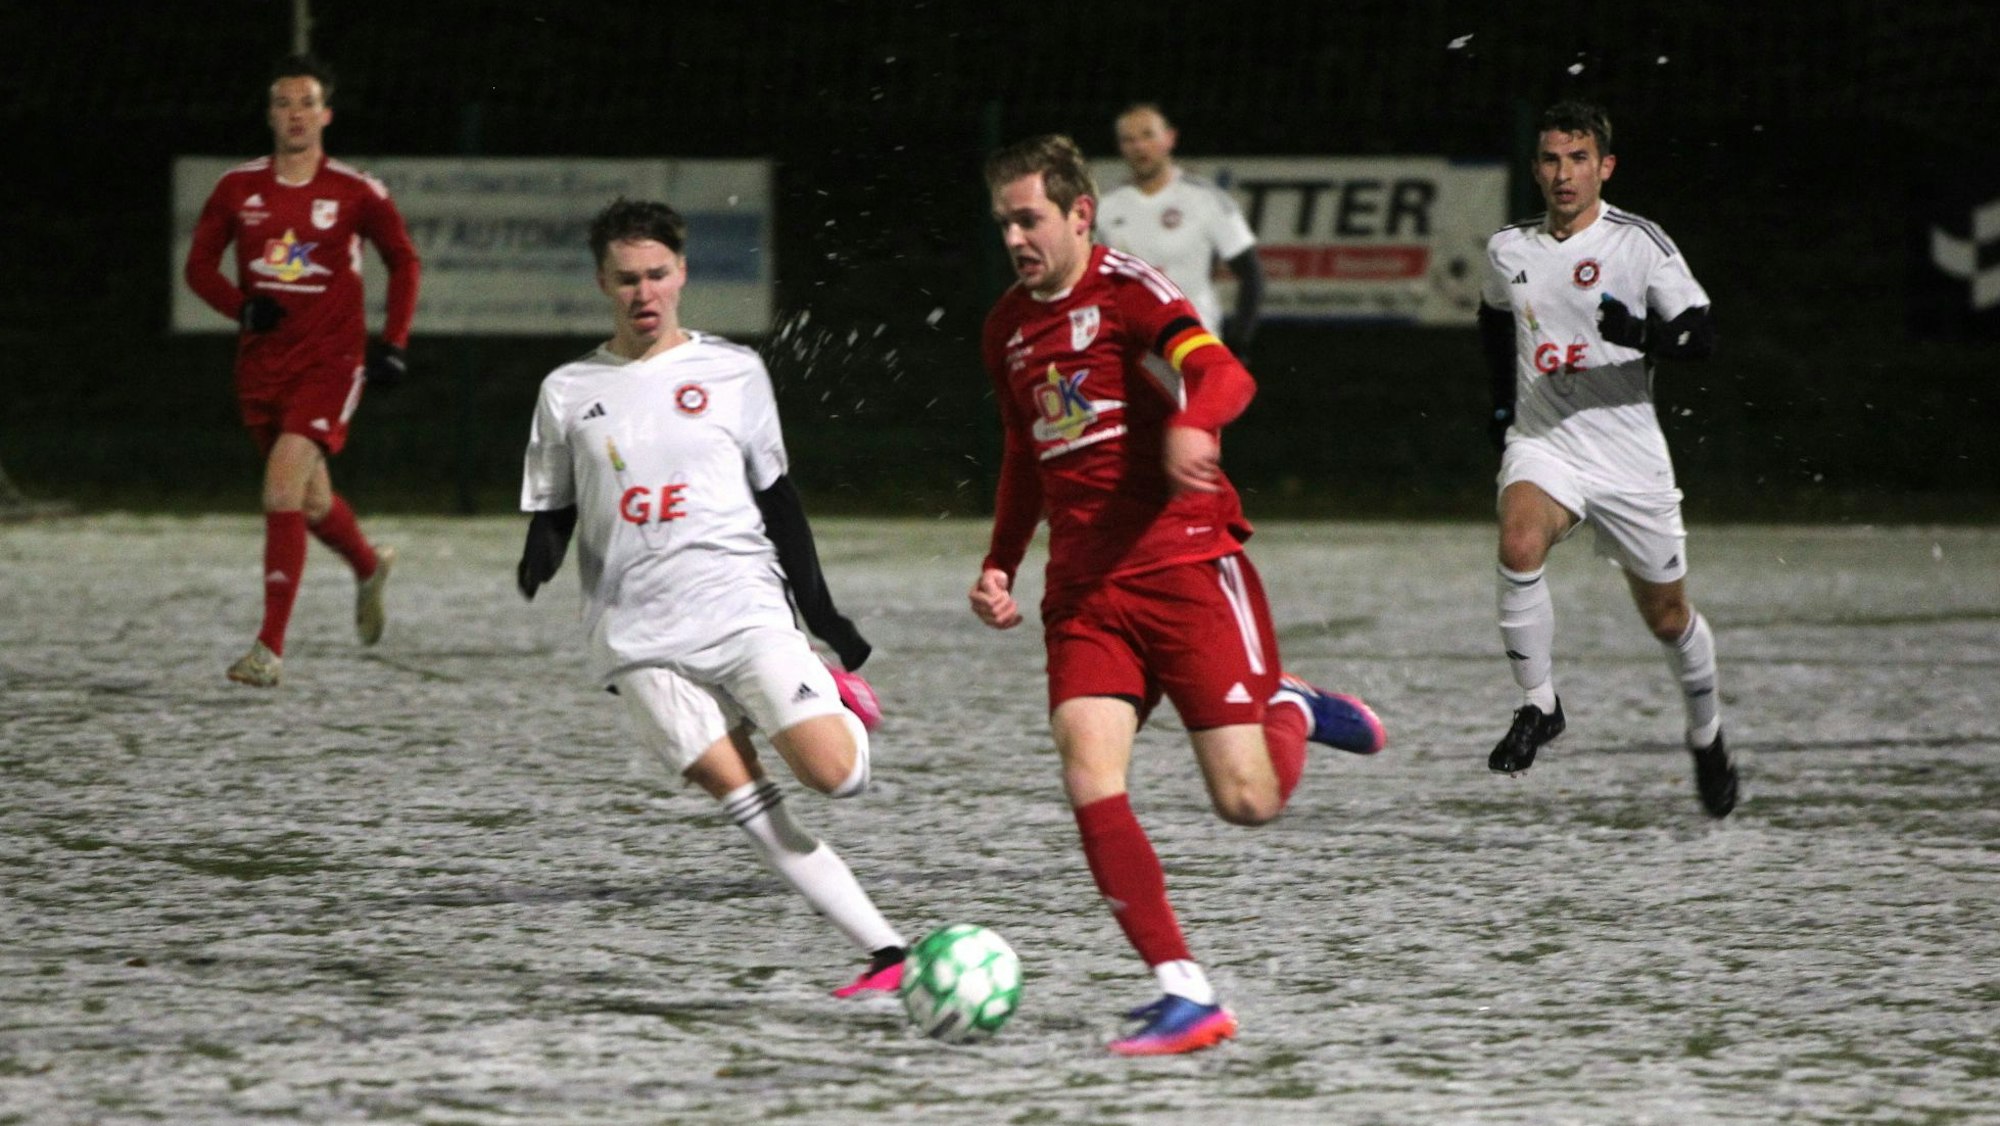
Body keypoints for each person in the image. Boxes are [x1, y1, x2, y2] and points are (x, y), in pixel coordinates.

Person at [971, 135, 1386, 1056]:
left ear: (1080, 214)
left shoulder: (1130, 290)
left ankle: (1289, 705)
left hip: (1185, 564)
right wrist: (1002, 560)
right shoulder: (1006, 327)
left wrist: (1195, 424)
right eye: (1004, 220)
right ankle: (1183, 990)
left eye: (1029, 217)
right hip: (1083, 590)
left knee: (1248, 802)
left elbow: (1223, 370)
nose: (1014, 236)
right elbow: (1021, 453)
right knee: (1088, 771)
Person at [517, 197, 907, 998]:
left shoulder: (734, 372)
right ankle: (885, 954)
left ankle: (829, 696)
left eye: (658, 274)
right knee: (748, 803)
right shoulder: (567, 389)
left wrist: (825, 617)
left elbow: (779, 500)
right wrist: (541, 553)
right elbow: (555, 501)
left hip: (743, 609)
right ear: (602, 282)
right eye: (626, 279)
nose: (644, 293)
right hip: (638, 637)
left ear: (682, 273)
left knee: (837, 777)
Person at [1477, 100, 1737, 817]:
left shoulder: (1639, 244)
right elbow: (1495, 317)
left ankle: (1707, 733)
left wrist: (1641, 332)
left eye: (1579, 159)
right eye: (1552, 160)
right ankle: (1539, 704)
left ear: (1605, 167)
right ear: (1536, 168)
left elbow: (1703, 337)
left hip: (1627, 457)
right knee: (1519, 539)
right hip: (1546, 441)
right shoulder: (1509, 248)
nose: (1565, 174)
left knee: (1667, 618)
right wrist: (1502, 407)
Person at [183, 54, 420, 687]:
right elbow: (199, 269)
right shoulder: (238, 188)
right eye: (283, 103)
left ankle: (268, 649)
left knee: (282, 488)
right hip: (262, 367)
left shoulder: (354, 190)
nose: (295, 114)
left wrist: (392, 342)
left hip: (332, 363)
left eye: (306, 102)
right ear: (270, 115)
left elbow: (404, 261)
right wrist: (242, 307)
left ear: (326, 114)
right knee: (312, 501)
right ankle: (369, 566)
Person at [1095, 103, 1264, 360]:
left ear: (1169, 138)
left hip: (1194, 348)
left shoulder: (1207, 199)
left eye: (1148, 135)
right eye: (1129, 140)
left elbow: (1251, 275)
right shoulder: (1107, 207)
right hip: (1132, 354)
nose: (1139, 146)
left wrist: (1239, 344)